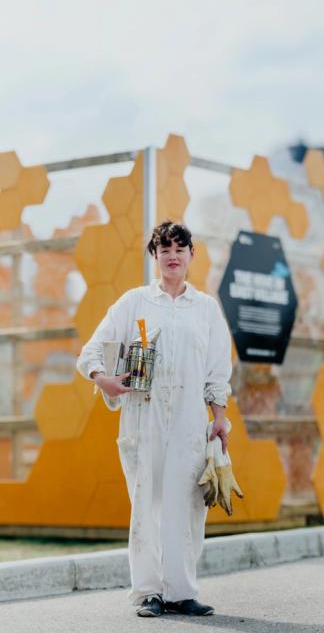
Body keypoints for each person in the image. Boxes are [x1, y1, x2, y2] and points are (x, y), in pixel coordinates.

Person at [77, 220, 233, 618]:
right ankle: (149, 592)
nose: (172, 256)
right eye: (164, 249)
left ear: (192, 255)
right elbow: (91, 350)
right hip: (142, 419)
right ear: (154, 256)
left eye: (180, 249)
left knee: (188, 503)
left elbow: (217, 370)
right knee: (146, 502)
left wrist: (219, 419)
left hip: (188, 420)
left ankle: (182, 591)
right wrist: (103, 379)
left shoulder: (206, 309)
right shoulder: (134, 303)